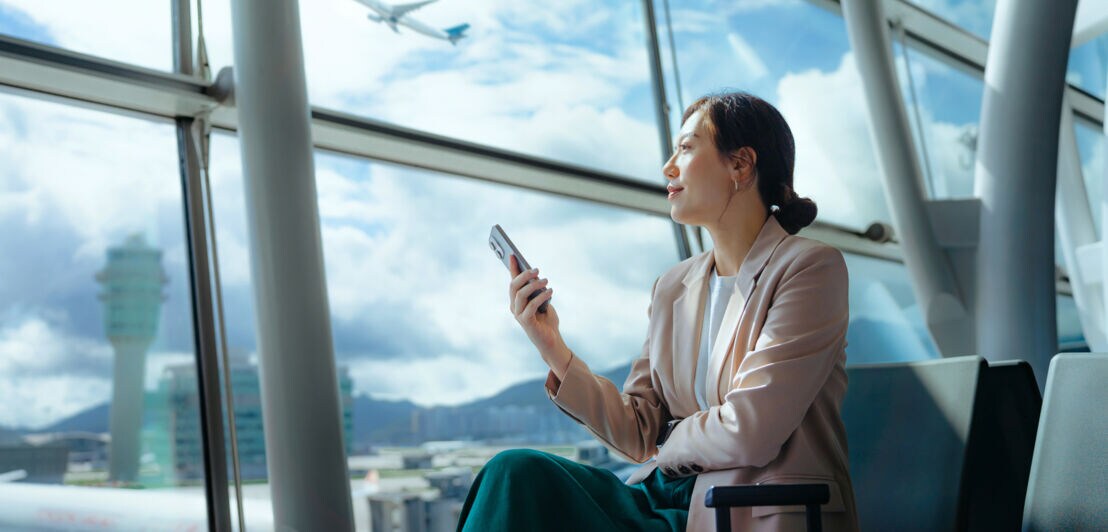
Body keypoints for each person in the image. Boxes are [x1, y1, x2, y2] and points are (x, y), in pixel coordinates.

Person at [457, 91, 860, 532]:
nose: (668, 167)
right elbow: (638, 431)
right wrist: (553, 347)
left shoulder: (809, 269)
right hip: (661, 501)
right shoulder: (672, 288)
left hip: (742, 507)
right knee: (515, 473)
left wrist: (667, 440)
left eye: (686, 149)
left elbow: (752, 429)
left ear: (741, 165)